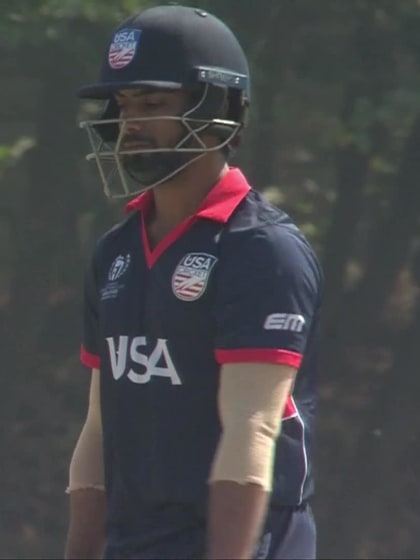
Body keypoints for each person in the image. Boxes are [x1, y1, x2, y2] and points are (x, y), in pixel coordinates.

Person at [64, 4, 323, 560]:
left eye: (153, 104)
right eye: (124, 105)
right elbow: (99, 431)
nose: (131, 125)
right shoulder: (115, 252)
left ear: (218, 107)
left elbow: (251, 429)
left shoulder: (261, 250)